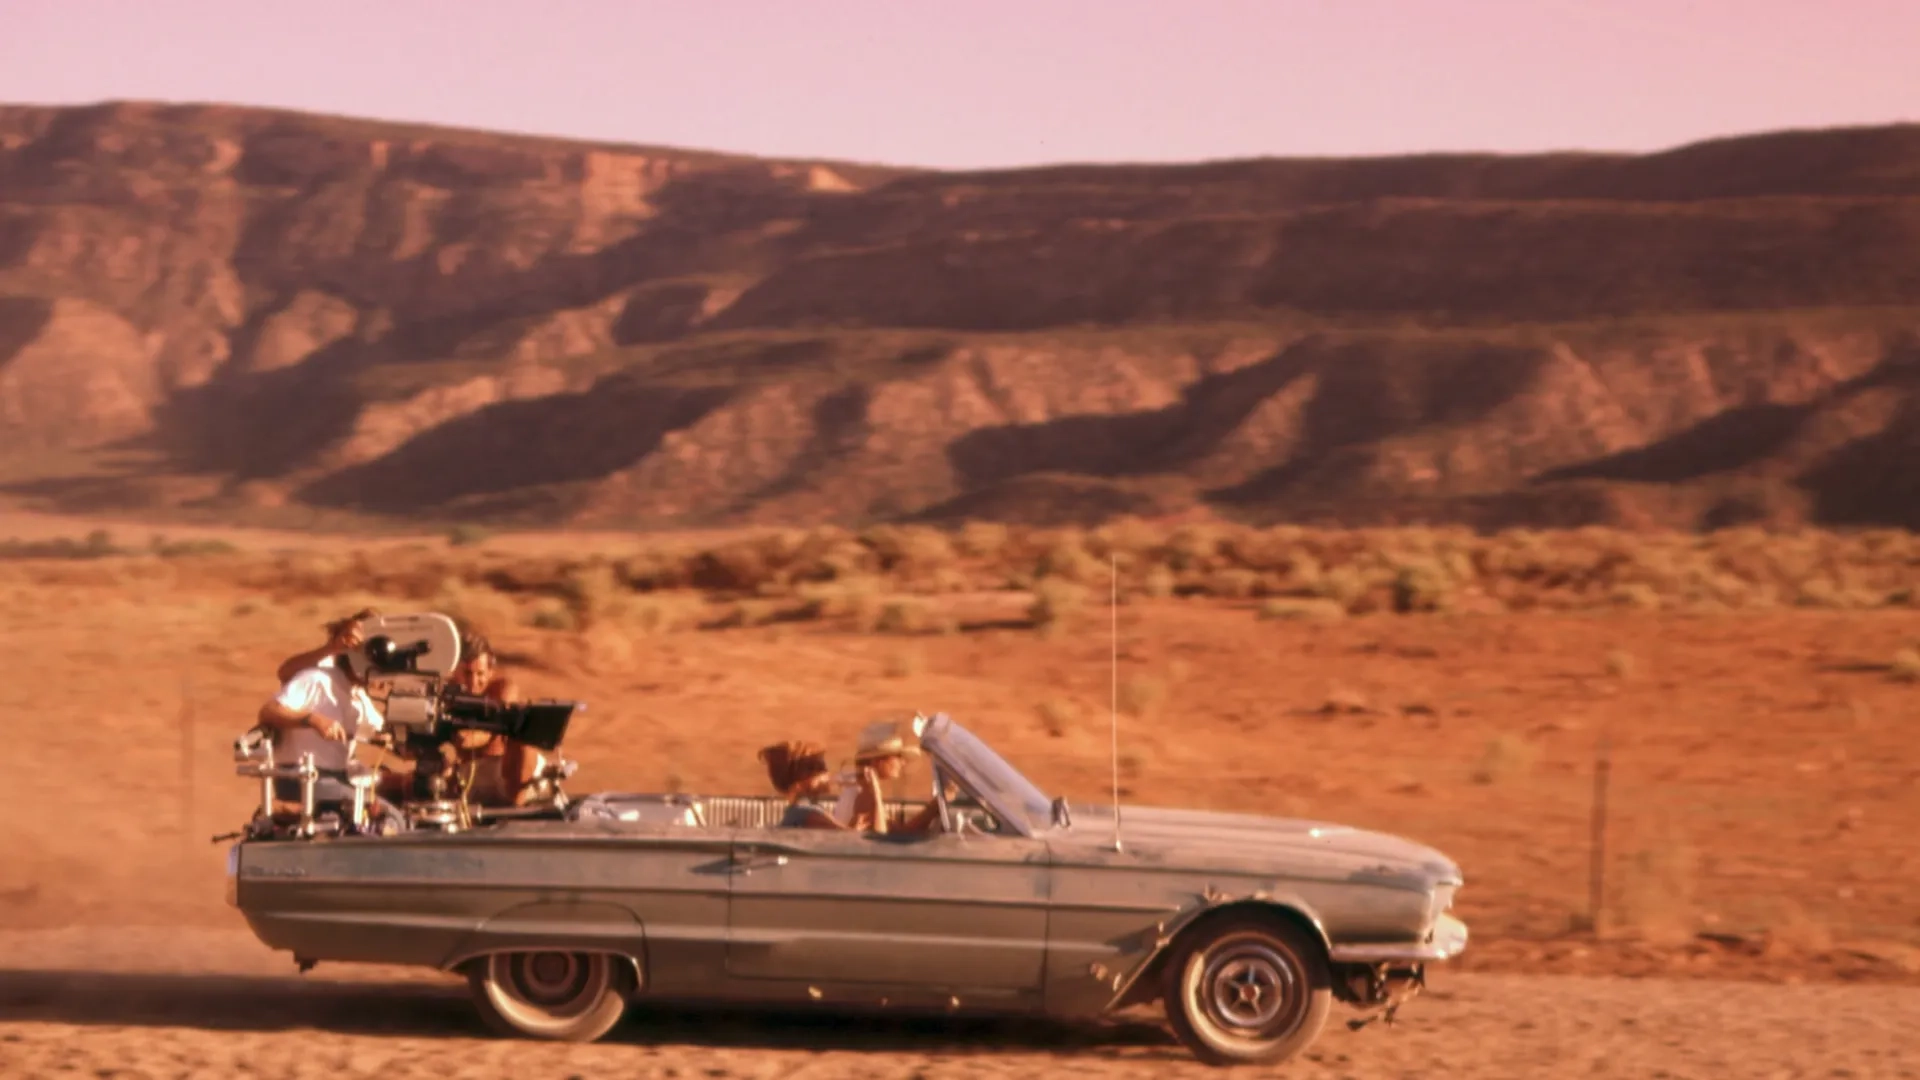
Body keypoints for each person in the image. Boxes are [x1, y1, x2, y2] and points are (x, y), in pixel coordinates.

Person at [253, 630, 388, 813]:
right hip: (304, 778)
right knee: (389, 818)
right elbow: (269, 711)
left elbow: (384, 732)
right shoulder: (318, 679)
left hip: (337, 777)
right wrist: (314, 720)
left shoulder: (358, 696)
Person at [835, 720, 949, 835]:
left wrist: (933, 809)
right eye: (897, 756)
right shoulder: (864, 793)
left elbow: (899, 833)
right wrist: (876, 794)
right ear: (878, 762)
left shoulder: (860, 789)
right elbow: (879, 840)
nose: (903, 762)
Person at [759, 740, 882, 830]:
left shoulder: (802, 811)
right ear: (800, 781)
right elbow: (854, 840)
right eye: (820, 769)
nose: (827, 773)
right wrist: (875, 793)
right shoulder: (806, 813)